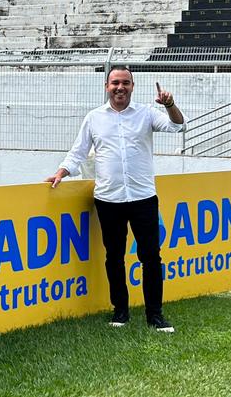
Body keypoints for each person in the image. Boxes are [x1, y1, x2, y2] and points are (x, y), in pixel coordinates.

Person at [45, 66, 184, 332]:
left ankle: (155, 315)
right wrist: (61, 172)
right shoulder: (94, 118)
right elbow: (78, 152)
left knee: (151, 257)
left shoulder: (146, 113)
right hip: (108, 199)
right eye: (115, 83)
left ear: (133, 86)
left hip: (143, 197)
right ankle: (120, 311)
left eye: (125, 83)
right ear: (106, 86)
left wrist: (170, 104)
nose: (120, 87)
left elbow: (177, 126)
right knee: (114, 257)